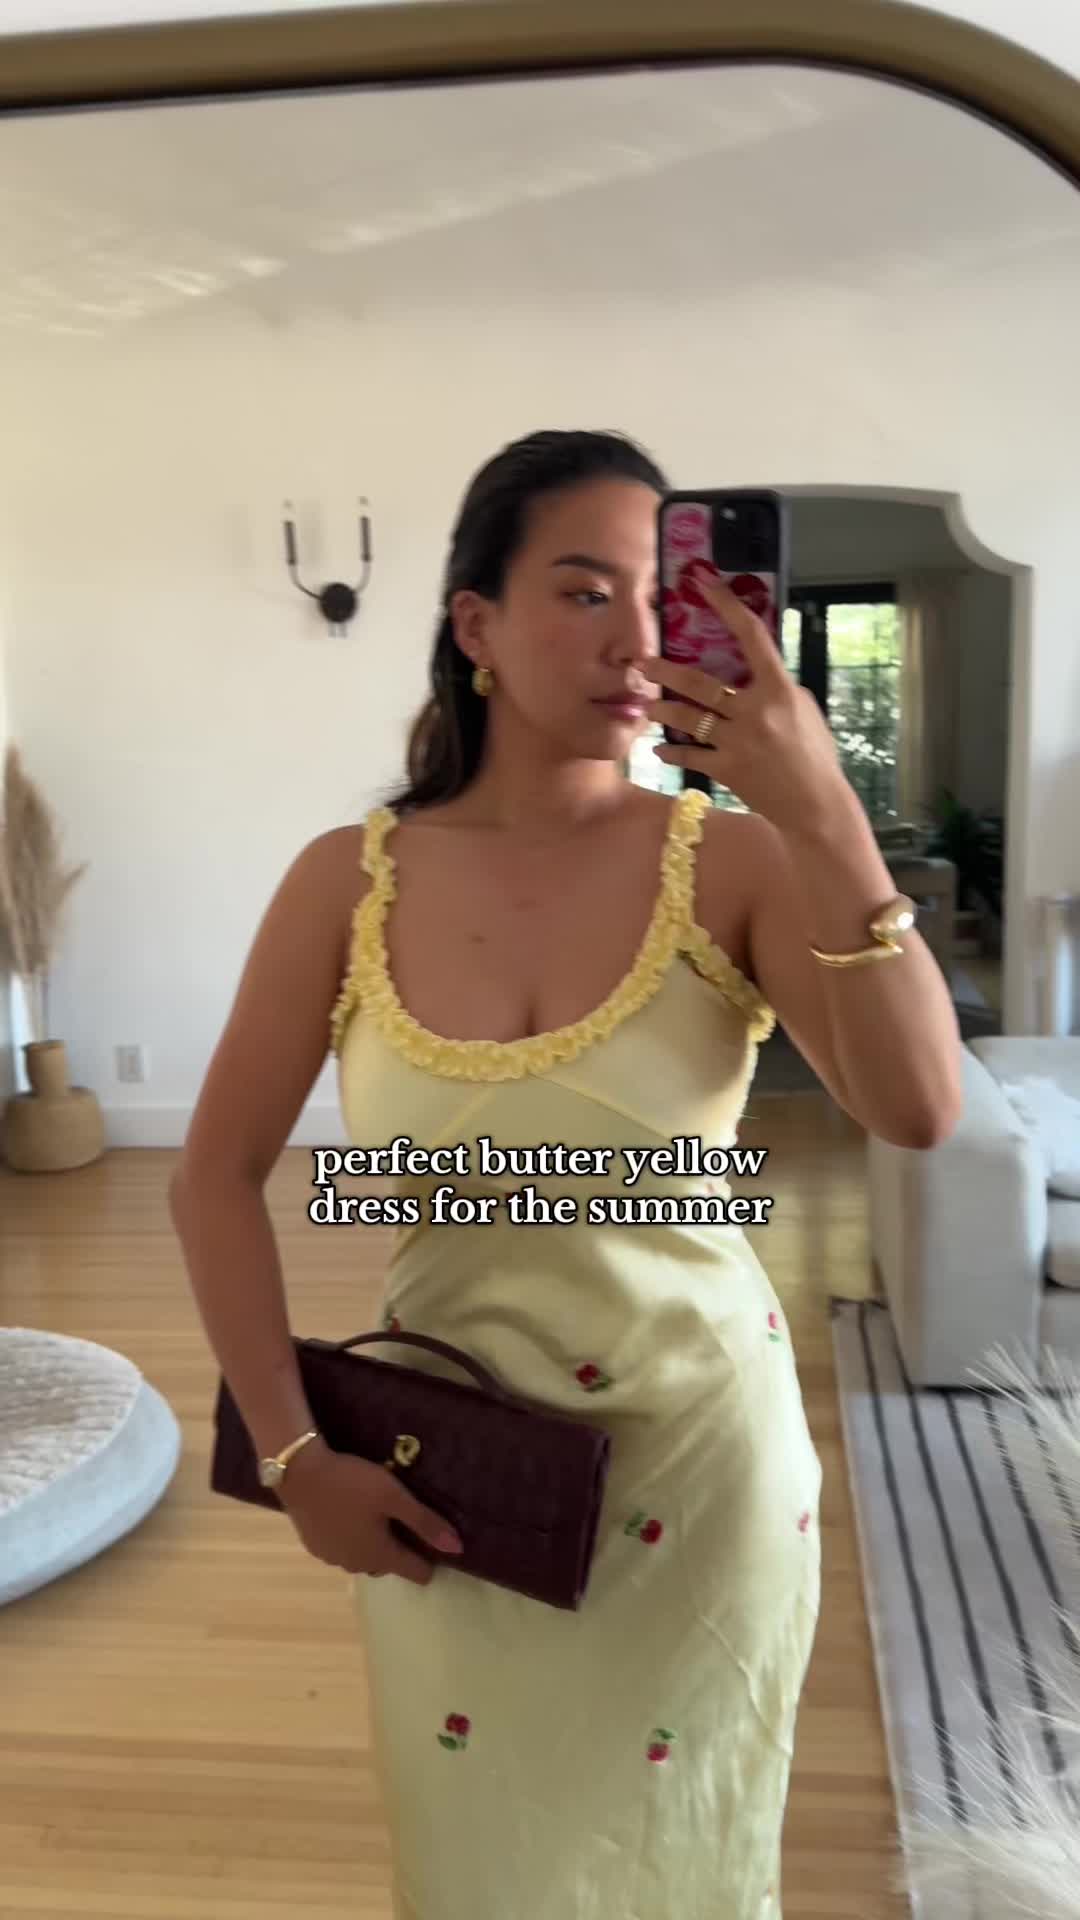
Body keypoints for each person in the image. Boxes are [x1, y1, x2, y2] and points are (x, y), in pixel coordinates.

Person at [170, 429, 962, 1919]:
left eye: (668, 598)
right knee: (479, 1870)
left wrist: (825, 812)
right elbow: (211, 1176)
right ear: (477, 624)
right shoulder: (348, 879)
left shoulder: (735, 864)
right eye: (587, 591)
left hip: (703, 1476)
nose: (638, 639)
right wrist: (293, 1456)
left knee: (692, 1871)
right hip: (449, 1488)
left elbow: (918, 1110)